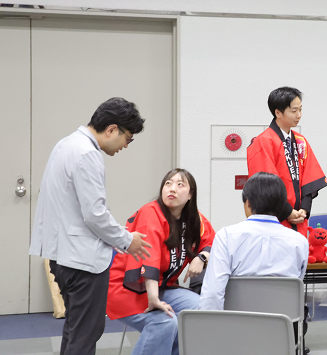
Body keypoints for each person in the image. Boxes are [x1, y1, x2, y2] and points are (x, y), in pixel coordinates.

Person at [29, 97, 150, 355]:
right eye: (128, 139)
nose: (125, 146)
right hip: (82, 262)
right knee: (85, 334)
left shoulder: (65, 145)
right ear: (112, 129)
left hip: (63, 256)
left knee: (76, 331)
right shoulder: (87, 154)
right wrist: (127, 240)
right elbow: (95, 215)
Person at [107, 168, 215, 355]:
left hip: (163, 287)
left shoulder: (193, 219)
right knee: (165, 322)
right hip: (128, 288)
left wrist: (201, 257)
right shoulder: (151, 212)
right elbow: (149, 259)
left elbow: (211, 242)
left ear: (190, 194)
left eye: (180, 185)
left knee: (201, 310)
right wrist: (154, 299)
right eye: (168, 184)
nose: (172, 189)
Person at [199, 172, 309, 341]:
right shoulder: (299, 242)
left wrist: (210, 336)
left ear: (248, 203)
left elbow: (213, 294)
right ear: (282, 206)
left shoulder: (226, 236)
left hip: (235, 333)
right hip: (282, 335)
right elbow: (296, 287)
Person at [247, 86, 327, 237]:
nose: (299, 115)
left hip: (299, 220)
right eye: (294, 111)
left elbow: (310, 180)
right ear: (278, 112)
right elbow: (266, 186)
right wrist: (287, 212)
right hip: (275, 220)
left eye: (300, 110)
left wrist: (304, 210)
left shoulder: (300, 141)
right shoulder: (263, 142)